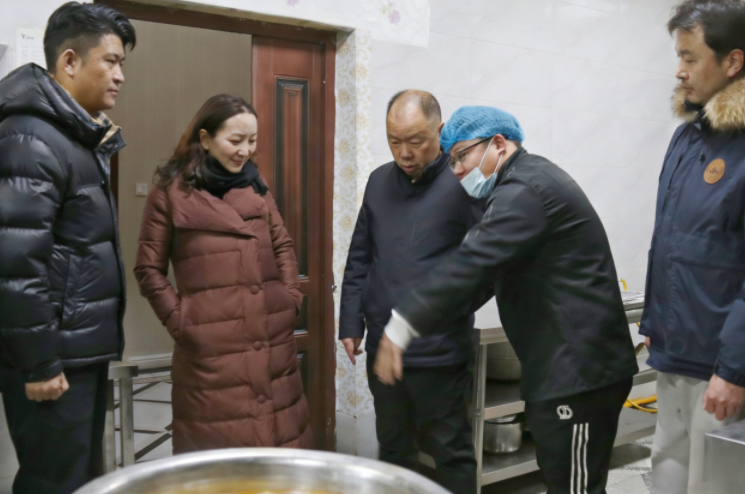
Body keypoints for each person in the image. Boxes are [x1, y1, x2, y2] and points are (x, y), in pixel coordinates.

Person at [375, 106, 640, 494]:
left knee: (575, 487)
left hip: (579, 372)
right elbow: (484, 274)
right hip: (563, 366)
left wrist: (403, 324)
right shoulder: (520, 182)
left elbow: (472, 262)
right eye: (452, 161)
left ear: (498, 143)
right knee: (560, 478)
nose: (457, 170)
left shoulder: (525, 190)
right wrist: (434, 318)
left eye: (462, 156)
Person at [0, 3, 135, 493]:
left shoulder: (72, 135)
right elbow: (15, 263)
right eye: (111, 61)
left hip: (75, 348)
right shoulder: (31, 137)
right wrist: (40, 361)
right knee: (54, 482)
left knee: (78, 479)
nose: (120, 76)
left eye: (122, 64)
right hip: (54, 356)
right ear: (70, 61)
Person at [134, 94, 311, 453]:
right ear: (205, 139)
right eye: (235, 140)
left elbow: (283, 245)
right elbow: (148, 269)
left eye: (252, 140)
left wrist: (290, 297)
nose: (245, 150)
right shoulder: (170, 193)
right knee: (222, 461)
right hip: (211, 351)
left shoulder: (257, 186)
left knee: (277, 452)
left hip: (271, 338)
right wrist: (184, 321)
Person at [339, 90, 483, 494]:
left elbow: (484, 267)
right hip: (382, 346)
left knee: (450, 451)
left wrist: (447, 313)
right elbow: (360, 256)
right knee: (393, 448)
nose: (404, 153)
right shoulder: (378, 181)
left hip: (439, 351)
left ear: (440, 131)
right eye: (394, 141)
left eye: (416, 141)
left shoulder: (464, 183)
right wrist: (350, 321)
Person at [637, 1, 745, 492]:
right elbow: (669, 243)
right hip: (674, 353)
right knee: (667, 468)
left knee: (713, 483)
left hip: (720, 367)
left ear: (733, 61)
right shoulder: (686, 138)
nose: (679, 71)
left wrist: (735, 369)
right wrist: (654, 324)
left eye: (690, 57)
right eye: (677, 57)